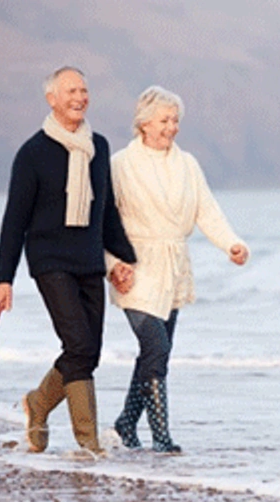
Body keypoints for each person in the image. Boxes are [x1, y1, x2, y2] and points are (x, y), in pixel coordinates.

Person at [0, 66, 136, 456]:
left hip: (89, 260)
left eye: (85, 90)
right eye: (71, 90)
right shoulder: (33, 153)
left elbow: (105, 212)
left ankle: (38, 404)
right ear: (51, 99)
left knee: (87, 351)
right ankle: (88, 440)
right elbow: (14, 220)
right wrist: (4, 278)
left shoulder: (99, 147)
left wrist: (127, 259)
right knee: (77, 342)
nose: (80, 97)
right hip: (50, 261)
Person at [106, 85, 249, 453]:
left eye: (176, 120)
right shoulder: (121, 164)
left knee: (156, 352)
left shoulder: (187, 164)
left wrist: (231, 244)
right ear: (144, 123)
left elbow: (207, 210)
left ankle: (124, 426)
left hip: (173, 266)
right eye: (165, 120)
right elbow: (106, 220)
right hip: (135, 266)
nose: (172, 127)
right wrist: (112, 264)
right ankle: (161, 436)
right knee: (155, 345)